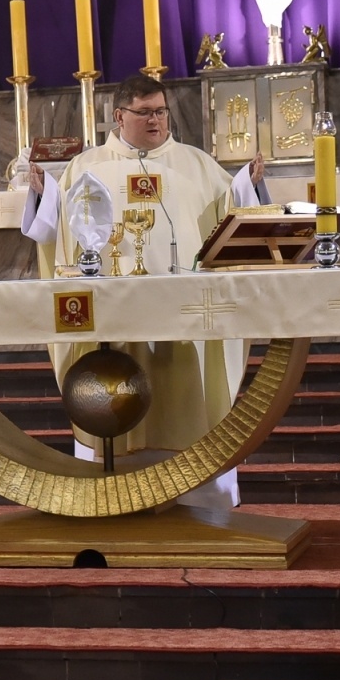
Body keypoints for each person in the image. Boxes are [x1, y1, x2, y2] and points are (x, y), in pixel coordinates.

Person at [20, 73, 264, 509]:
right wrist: (43, 195)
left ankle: (202, 500)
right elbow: (55, 231)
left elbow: (235, 215)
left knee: (184, 394)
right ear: (119, 116)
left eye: (161, 111)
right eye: (145, 112)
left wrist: (248, 183)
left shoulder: (198, 164)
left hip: (184, 320)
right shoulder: (87, 166)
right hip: (113, 319)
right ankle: (110, 495)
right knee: (112, 384)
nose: (156, 120)